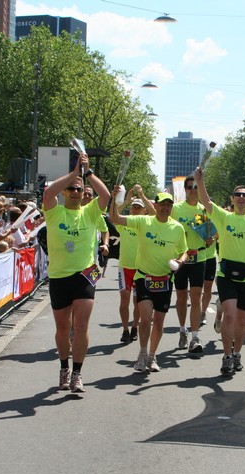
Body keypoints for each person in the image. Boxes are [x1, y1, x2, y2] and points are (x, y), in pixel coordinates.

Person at [42, 154, 110, 392]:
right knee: (63, 330)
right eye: (71, 188)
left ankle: (78, 374)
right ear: (64, 192)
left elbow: (106, 196)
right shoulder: (54, 211)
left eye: (79, 189)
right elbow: (48, 193)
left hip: (85, 276)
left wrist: (87, 173)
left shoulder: (90, 212)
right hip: (59, 276)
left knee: (80, 327)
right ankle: (64, 368)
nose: (75, 192)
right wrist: (73, 174)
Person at [110, 190, 187, 374]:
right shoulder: (143, 221)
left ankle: (152, 356)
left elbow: (184, 250)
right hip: (143, 277)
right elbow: (115, 218)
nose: (165, 208)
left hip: (165, 280)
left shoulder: (177, 228)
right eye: (162, 204)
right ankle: (142, 353)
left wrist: (180, 261)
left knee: (158, 322)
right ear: (155, 205)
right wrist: (114, 198)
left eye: (169, 205)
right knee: (145, 319)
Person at [196, 168, 245, 375]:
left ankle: (237, 353)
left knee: (242, 320)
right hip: (226, 275)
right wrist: (200, 182)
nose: (241, 198)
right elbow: (206, 202)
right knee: (230, 316)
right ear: (232, 199)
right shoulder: (224, 217)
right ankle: (226, 356)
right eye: (237, 195)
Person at [172, 176, 210, 353]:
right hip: (180, 259)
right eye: (190, 187)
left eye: (196, 187)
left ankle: (195, 336)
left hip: (198, 258)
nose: (193, 190)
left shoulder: (203, 210)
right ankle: (182, 330)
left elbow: (205, 233)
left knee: (196, 297)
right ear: (185, 189)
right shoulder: (176, 208)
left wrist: (209, 239)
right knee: (181, 297)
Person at [112, 187, 153, 343]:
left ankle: (135, 326)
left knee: (137, 303)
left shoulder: (147, 223)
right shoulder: (125, 223)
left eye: (139, 207)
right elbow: (113, 215)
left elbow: (155, 213)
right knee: (124, 301)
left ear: (144, 211)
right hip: (125, 267)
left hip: (141, 269)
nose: (135, 210)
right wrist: (127, 200)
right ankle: (125, 330)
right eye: (133, 207)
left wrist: (142, 195)